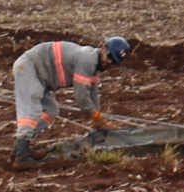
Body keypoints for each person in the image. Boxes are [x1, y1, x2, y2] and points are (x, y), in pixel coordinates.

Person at [11, 35, 130, 164]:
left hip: (40, 77)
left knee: (50, 110)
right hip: (29, 68)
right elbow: (81, 96)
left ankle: (22, 147)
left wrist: (98, 117)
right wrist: (95, 116)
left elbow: (93, 94)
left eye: (114, 61)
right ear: (102, 48)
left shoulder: (94, 68)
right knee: (31, 112)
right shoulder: (88, 59)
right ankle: (21, 156)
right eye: (110, 57)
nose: (110, 62)